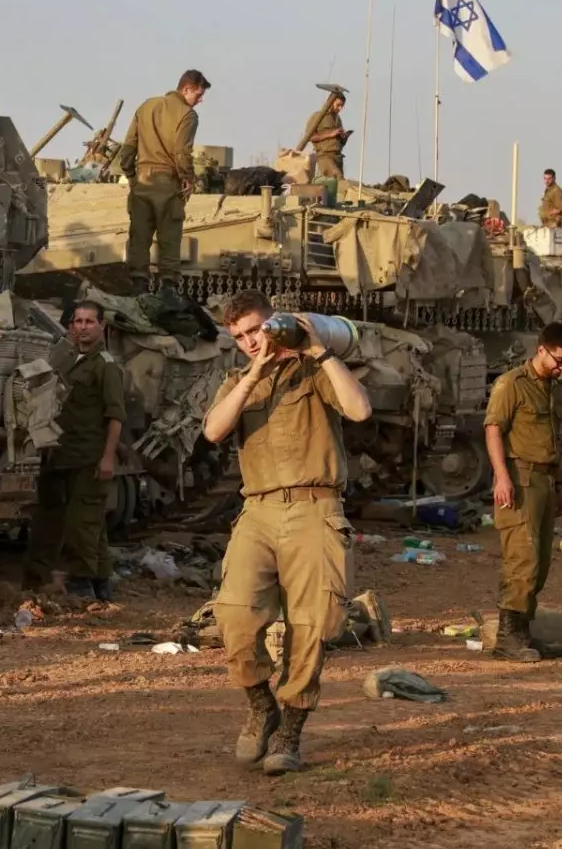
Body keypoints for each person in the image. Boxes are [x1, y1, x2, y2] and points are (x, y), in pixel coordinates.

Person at [202, 291, 373, 775]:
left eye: (256, 330)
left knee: (313, 624)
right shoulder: (237, 381)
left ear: (273, 321)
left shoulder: (313, 370)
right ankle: (261, 706)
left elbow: (359, 410)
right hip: (258, 511)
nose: (251, 341)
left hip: (315, 508)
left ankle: (290, 732)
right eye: (239, 337)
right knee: (234, 616)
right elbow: (213, 431)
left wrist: (319, 350)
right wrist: (254, 373)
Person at [484, 322, 562, 664]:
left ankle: (523, 633)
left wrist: (560, 486)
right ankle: (507, 638)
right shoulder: (511, 384)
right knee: (522, 559)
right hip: (519, 478)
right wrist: (501, 477)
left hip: (545, 480)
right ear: (541, 350)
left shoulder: (554, 389)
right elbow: (493, 429)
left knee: (541, 562)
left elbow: (554, 440)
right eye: (559, 360)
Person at [24, 301, 127, 601]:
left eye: (89, 322)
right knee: (62, 521)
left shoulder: (105, 366)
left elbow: (115, 416)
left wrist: (107, 457)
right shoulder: (66, 359)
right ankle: (100, 583)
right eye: (78, 321)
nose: (83, 327)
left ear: (101, 327)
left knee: (81, 524)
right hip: (59, 454)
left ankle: (82, 587)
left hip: (88, 456)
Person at [118, 70, 210, 299]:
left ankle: (138, 288)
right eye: (199, 94)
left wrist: (132, 176)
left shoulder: (146, 106)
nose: (200, 100)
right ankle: (168, 290)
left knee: (139, 238)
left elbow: (128, 148)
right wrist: (188, 178)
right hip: (168, 184)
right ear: (186, 89)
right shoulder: (188, 115)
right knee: (169, 238)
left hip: (142, 182)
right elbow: (181, 152)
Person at [303, 92, 349, 181]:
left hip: (337, 157)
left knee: (338, 185)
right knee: (338, 180)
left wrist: (344, 137)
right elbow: (309, 137)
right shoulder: (318, 116)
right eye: (338, 105)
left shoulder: (338, 119)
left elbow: (339, 141)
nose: (340, 108)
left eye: (342, 106)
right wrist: (330, 134)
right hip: (324, 156)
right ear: (330, 102)